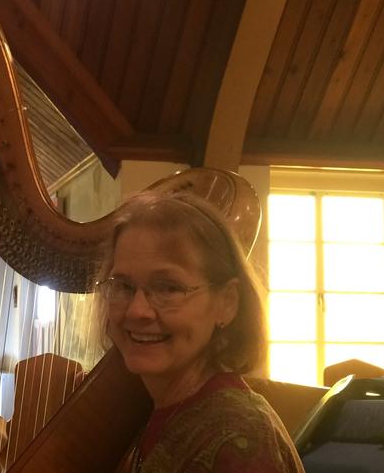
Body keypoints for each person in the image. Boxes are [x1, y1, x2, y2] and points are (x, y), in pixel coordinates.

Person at [95, 190, 304, 472]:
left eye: (168, 288)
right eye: (123, 286)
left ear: (227, 303)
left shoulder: (239, 440)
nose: (137, 311)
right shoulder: (162, 408)